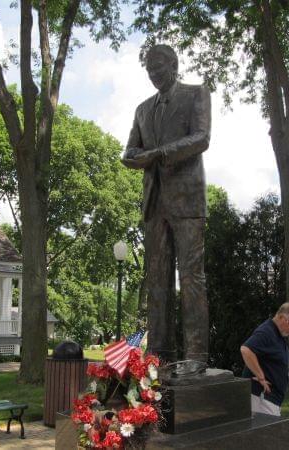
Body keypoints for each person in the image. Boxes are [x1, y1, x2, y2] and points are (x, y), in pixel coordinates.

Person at [121, 44, 211, 363]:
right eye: (149, 71)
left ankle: (197, 356)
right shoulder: (143, 109)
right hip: (154, 203)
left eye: (159, 68)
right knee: (157, 279)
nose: (154, 75)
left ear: (174, 64)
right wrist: (135, 159)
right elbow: (129, 151)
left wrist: (158, 154)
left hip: (186, 201)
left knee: (191, 277)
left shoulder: (196, 94)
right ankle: (159, 354)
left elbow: (201, 138)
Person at [240, 303, 289, 416]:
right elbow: (246, 350)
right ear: (282, 318)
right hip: (261, 397)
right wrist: (261, 377)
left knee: (269, 432)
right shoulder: (266, 332)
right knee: (269, 433)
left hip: (270, 398)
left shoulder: (279, 333)